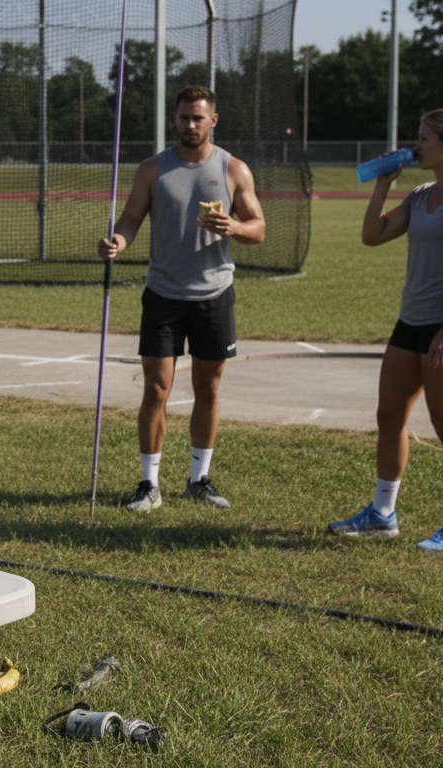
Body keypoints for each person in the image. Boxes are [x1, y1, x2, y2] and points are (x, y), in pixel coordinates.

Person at [329, 109, 443, 551]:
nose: (415, 146)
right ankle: (382, 515)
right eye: (416, 138)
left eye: (424, 138)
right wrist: (383, 185)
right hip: (410, 322)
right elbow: (373, 235)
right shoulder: (421, 194)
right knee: (389, 417)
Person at [98, 85, 265, 512]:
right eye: (184, 117)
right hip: (163, 294)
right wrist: (118, 241)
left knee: (207, 388)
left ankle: (198, 480)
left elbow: (259, 228)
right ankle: (149, 484)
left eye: (198, 117)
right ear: (174, 119)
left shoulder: (233, 169)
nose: (190, 124)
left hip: (214, 294)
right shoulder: (153, 169)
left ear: (213, 121)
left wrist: (233, 227)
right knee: (156, 389)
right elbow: (130, 219)